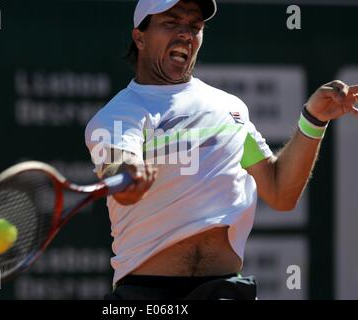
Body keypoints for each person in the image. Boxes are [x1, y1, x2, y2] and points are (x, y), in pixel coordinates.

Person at [84, 0, 358, 300]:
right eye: (171, 23)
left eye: (195, 26)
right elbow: (118, 168)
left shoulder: (229, 108)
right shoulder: (117, 115)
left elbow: (280, 192)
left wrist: (314, 120)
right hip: (146, 295)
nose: (186, 34)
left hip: (224, 291)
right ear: (140, 37)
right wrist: (128, 174)